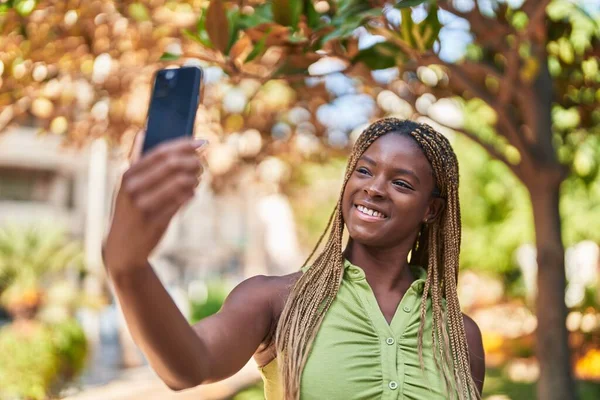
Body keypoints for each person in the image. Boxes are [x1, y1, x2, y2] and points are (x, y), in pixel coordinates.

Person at [103, 117, 485, 400]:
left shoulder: (460, 334)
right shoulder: (277, 301)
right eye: (364, 171)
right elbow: (187, 366)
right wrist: (128, 266)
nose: (374, 188)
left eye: (401, 183)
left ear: (431, 210)